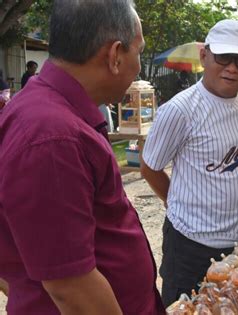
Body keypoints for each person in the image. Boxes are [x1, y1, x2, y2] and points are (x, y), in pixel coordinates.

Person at [0, 1, 165, 314]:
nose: (139, 66)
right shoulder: (51, 136)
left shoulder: (53, 114)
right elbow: (70, 287)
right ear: (115, 55)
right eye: (138, 52)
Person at [141, 19, 238, 307]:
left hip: (236, 243)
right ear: (204, 55)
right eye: (223, 57)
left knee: (227, 307)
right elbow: (149, 166)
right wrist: (176, 202)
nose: (231, 67)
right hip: (190, 245)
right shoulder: (180, 110)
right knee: (185, 309)